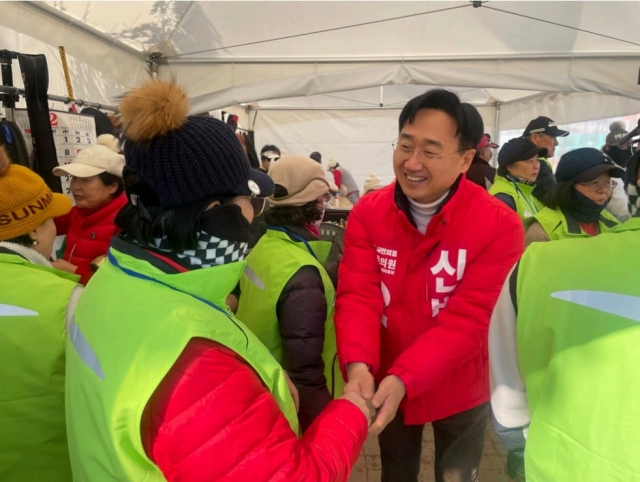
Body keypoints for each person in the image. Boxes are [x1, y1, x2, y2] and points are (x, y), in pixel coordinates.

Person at [65, 79, 371, 482]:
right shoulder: (195, 366)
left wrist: (267, 387)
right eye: (252, 202)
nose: (255, 216)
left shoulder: (111, 281)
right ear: (216, 212)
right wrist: (351, 411)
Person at [335, 89, 524, 482]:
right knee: (396, 470)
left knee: (457, 474)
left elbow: (471, 319)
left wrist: (407, 376)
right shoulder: (369, 212)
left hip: (461, 382)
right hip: (387, 380)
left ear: (466, 159)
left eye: (431, 151)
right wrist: (358, 366)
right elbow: (358, 295)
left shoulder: (498, 224)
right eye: (405, 145)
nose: (412, 162)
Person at [490, 220, 640, 482]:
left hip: (556, 468)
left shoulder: (539, 264)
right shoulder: (541, 231)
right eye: (593, 183)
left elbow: (507, 409)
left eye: (606, 184)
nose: (602, 191)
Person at [237, 155, 341, 432]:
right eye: (323, 198)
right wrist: (324, 431)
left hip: (262, 386)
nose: (325, 204)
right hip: (292, 407)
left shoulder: (265, 244)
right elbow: (306, 373)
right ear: (315, 204)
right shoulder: (303, 274)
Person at [0, 146, 82, 482]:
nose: (54, 230)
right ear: (33, 229)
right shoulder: (67, 300)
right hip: (48, 466)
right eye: (50, 221)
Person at [51, 134, 127, 284]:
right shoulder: (77, 212)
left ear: (112, 186)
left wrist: (75, 272)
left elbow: (121, 281)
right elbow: (44, 223)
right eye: (73, 178)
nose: (75, 187)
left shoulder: (125, 223)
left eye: (85, 180)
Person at [525, 148, 622, 245]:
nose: (604, 190)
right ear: (568, 187)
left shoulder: (612, 224)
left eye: (608, 183)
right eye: (595, 183)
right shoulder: (543, 232)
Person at [489, 137, 547, 221]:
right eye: (530, 161)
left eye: (537, 160)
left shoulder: (527, 189)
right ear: (509, 166)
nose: (536, 166)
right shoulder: (503, 197)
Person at [522, 116, 570, 201]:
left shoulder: (514, 159)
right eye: (552, 137)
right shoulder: (539, 165)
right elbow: (555, 201)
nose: (556, 143)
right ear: (535, 137)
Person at [602, 121, 632, 221]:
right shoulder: (606, 170)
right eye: (622, 146)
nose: (627, 149)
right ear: (608, 148)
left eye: (629, 145)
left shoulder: (625, 166)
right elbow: (623, 212)